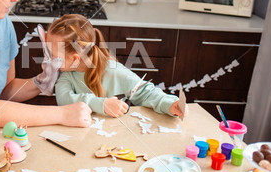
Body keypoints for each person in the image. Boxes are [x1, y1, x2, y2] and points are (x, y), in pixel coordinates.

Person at [46, 14, 186, 118]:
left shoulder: (113, 71)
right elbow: (64, 100)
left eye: (53, 54)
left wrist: (169, 104)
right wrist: (102, 104)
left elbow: (146, 93)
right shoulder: (65, 74)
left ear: (76, 58)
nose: (49, 58)